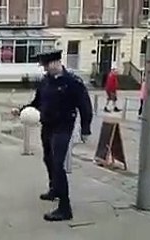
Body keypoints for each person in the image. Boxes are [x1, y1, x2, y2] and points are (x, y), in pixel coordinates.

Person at [12, 50, 93, 221]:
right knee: (48, 159)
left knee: (58, 164)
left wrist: (85, 129)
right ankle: (54, 189)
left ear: (56, 63)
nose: (45, 69)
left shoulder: (72, 82)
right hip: (47, 125)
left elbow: (85, 105)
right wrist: (22, 110)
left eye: (47, 66)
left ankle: (65, 208)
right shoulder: (46, 81)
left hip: (63, 127)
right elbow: (37, 102)